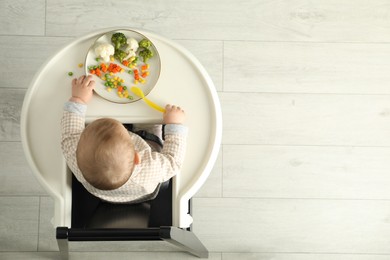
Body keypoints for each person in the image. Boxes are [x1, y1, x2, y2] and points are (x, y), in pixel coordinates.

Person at [61, 75, 187, 203]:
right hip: (143, 193)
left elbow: (69, 134)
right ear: (137, 157)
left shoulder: (74, 157)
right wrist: (174, 124)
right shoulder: (149, 166)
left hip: (108, 197)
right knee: (151, 126)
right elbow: (173, 162)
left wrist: (78, 99)